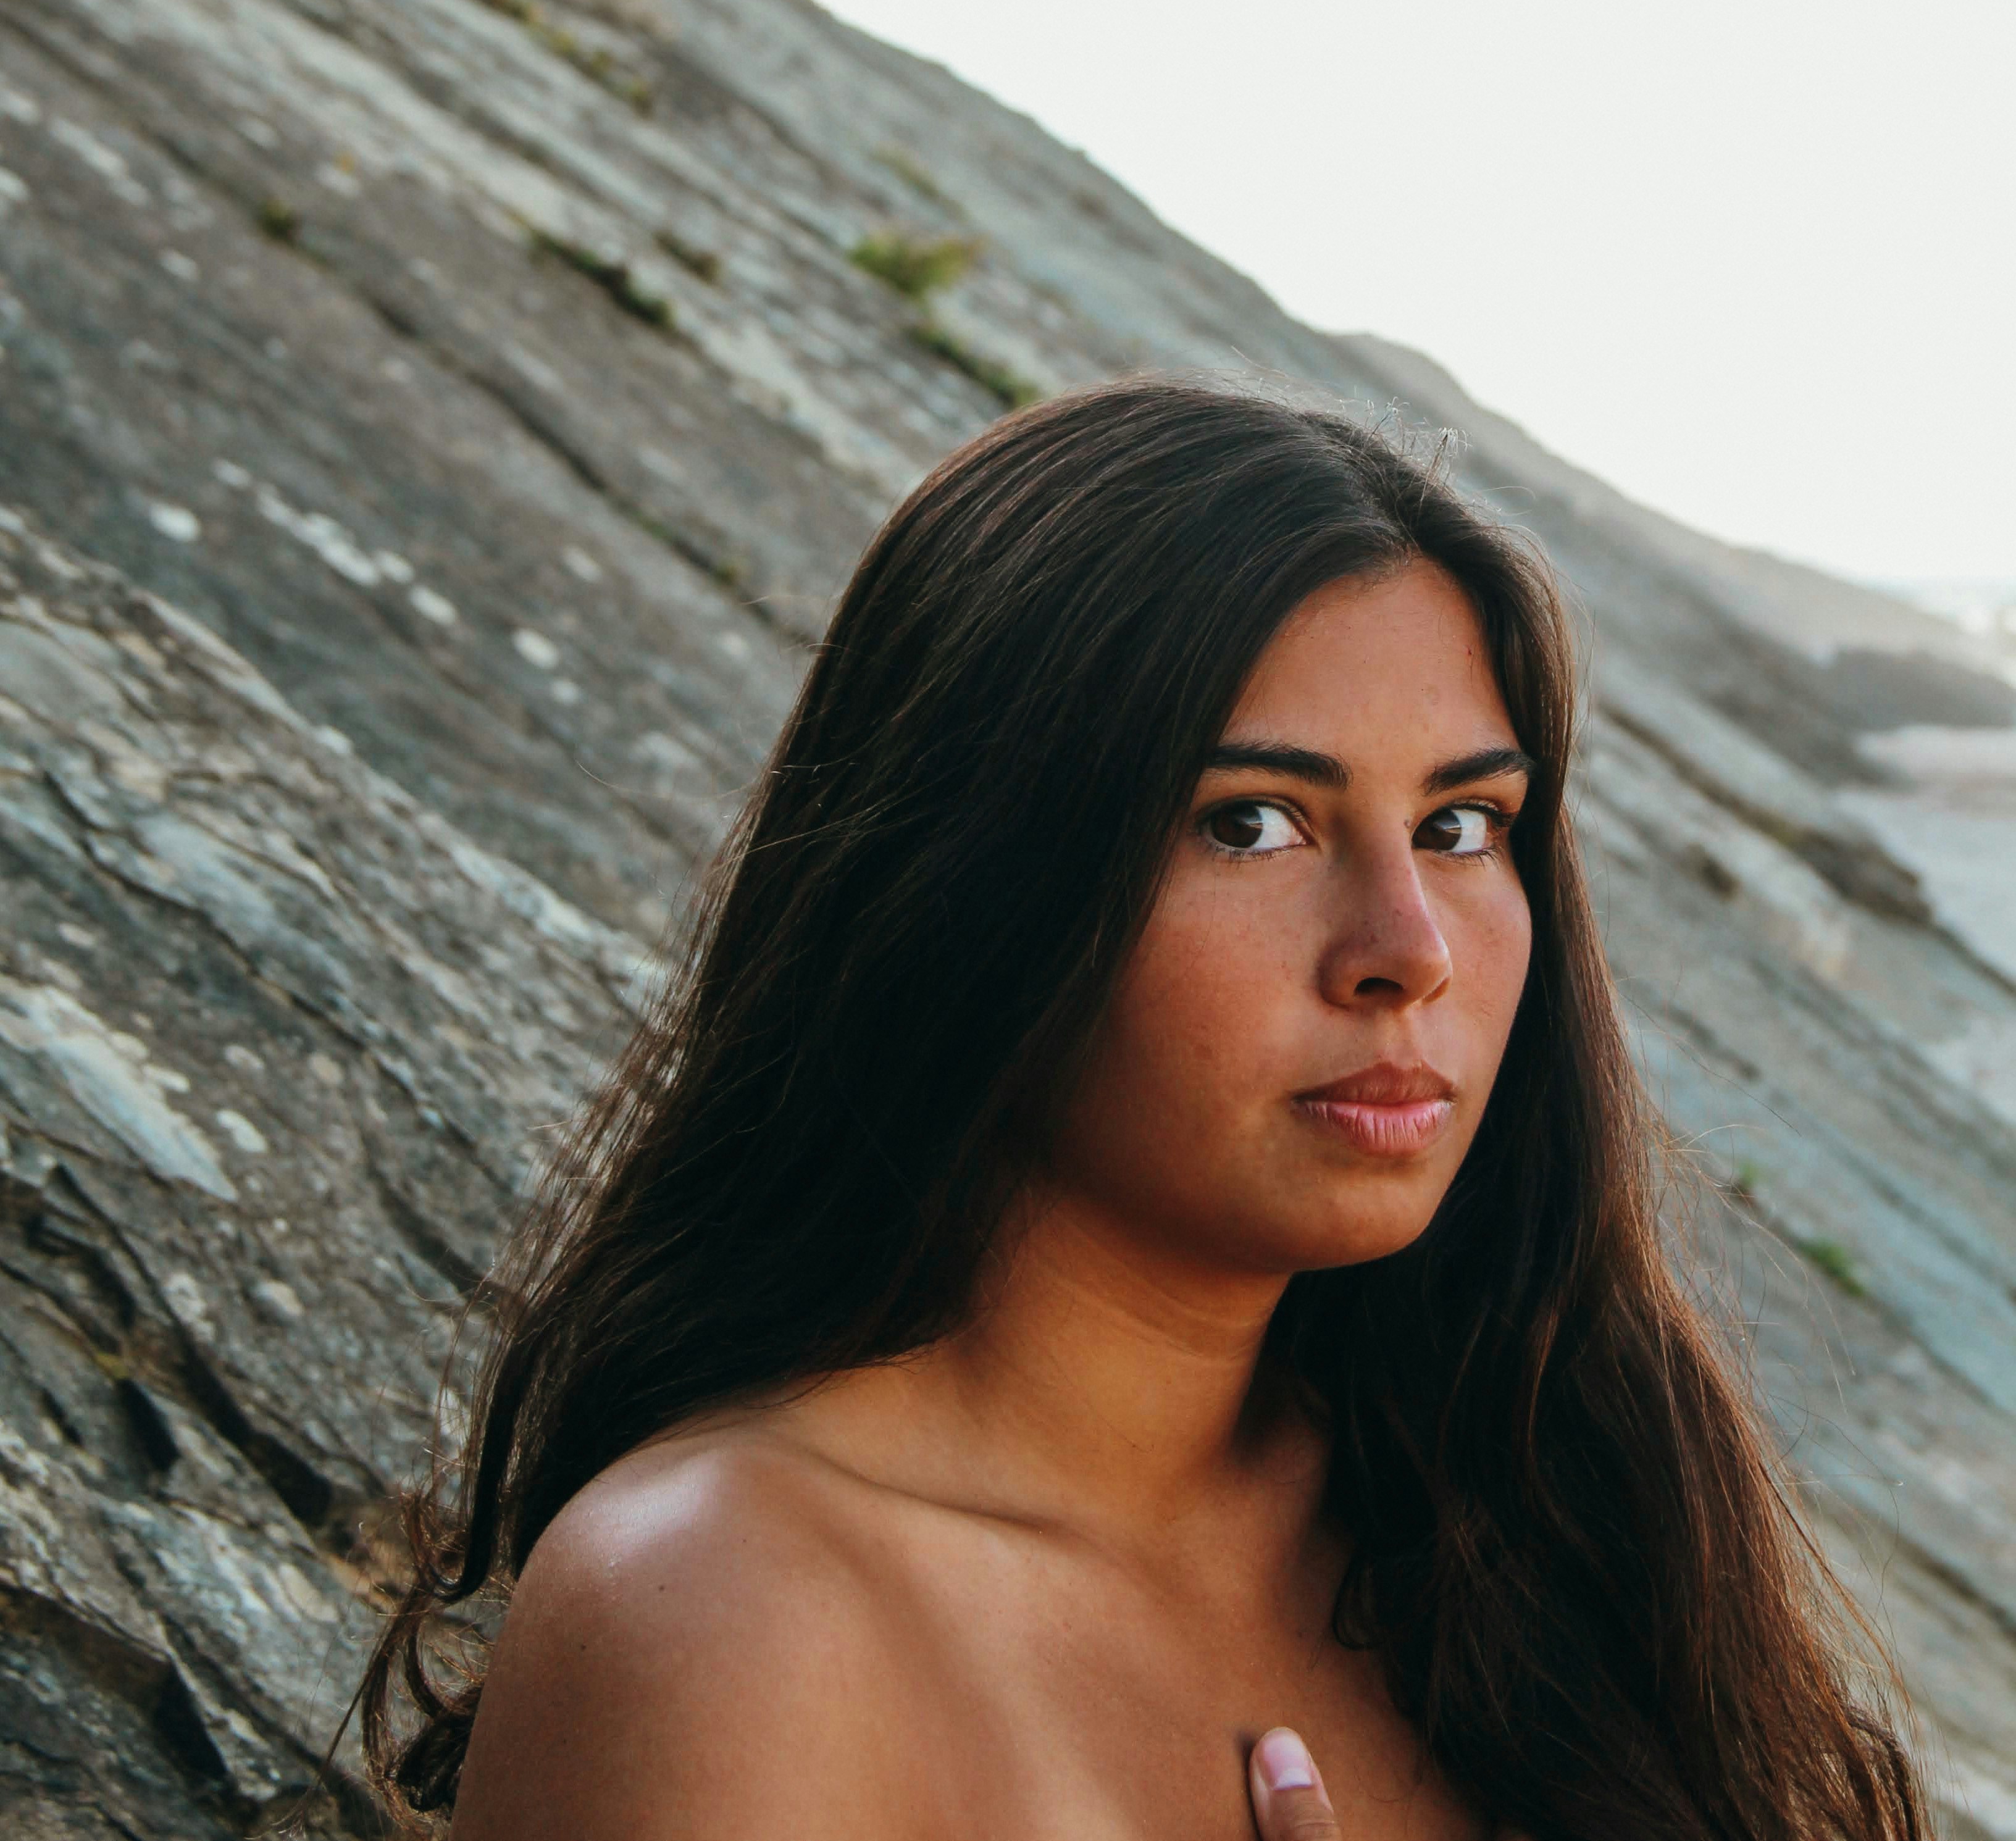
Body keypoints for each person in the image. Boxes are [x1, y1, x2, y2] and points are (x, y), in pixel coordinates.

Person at [362, 378, 1923, 1840]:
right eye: (1250, 822)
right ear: (969, 885)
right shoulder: (734, 1604)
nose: (1408, 951)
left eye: (1461, 823)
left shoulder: (1547, 1515)